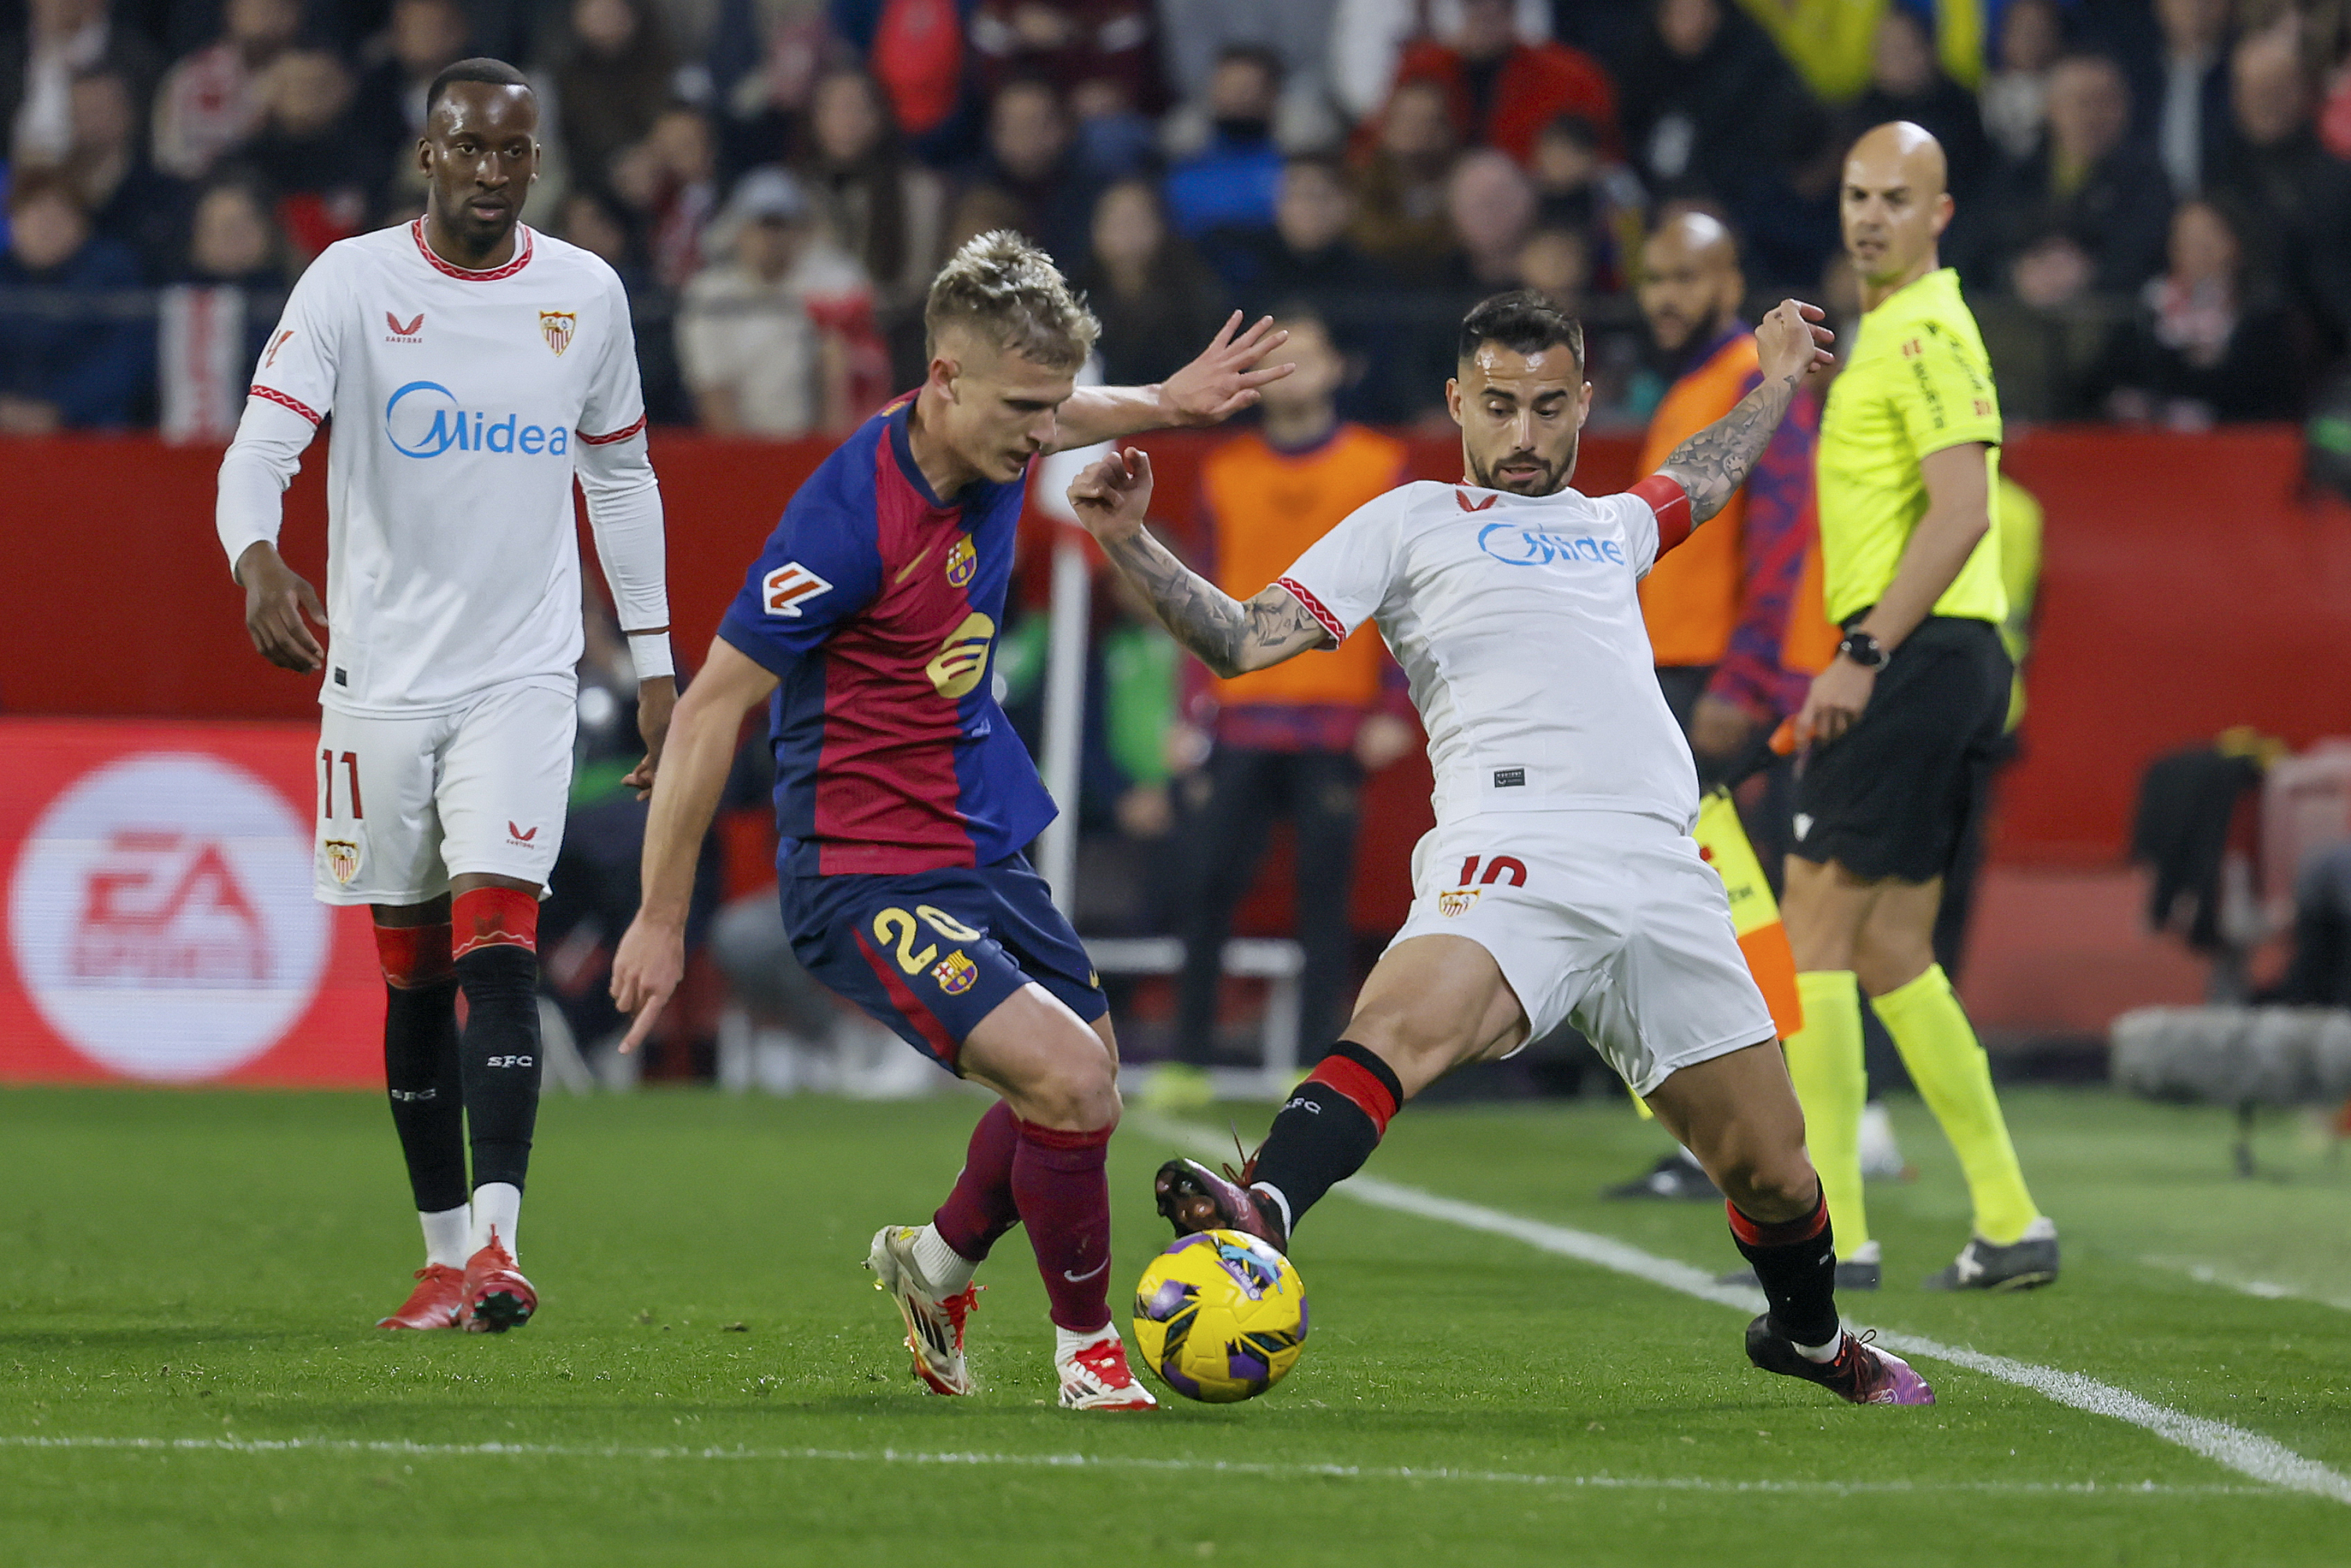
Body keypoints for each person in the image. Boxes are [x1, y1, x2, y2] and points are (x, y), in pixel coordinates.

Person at [1076, 288, 1938, 1406]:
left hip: (1663, 867)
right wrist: (1128, 541)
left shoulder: (1608, 527)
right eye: (1496, 406)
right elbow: (1242, 639)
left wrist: (1773, 379)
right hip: (1511, 846)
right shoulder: (1408, 519)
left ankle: (1809, 1339)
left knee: (1771, 1171)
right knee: (1403, 1025)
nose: (1522, 435)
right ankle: (1265, 1210)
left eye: (1545, 407)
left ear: (1582, 402)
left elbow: (1704, 477)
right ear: (1456, 404)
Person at [606, 232, 1293, 1410]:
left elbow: (1072, 407)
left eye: (1052, 405)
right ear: (941, 379)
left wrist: (1169, 404)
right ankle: (1086, 1360)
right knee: (1073, 1087)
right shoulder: (845, 522)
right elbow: (714, 705)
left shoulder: (1003, 423)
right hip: (864, 869)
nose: (1043, 433)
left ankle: (929, 1267)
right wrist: (661, 919)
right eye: (1024, 407)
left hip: (977, 834)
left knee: (1079, 1085)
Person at [213, 59, 676, 1335]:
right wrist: (253, 554)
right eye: (469, 147)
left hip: (521, 676)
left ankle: (499, 1247)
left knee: (498, 947)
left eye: (512, 152)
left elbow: (622, 483)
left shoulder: (583, 295)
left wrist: (654, 664)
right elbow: (261, 449)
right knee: (411, 977)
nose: (490, 170)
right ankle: (436, 1261)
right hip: (377, 681)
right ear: (428, 152)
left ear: (535, 162)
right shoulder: (352, 283)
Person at [1776, 121, 2057, 1294]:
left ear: (1939, 214)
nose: (1868, 215)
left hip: (1912, 657)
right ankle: (2007, 1217)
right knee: (1891, 945)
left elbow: (1961, 513)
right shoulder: (1893, 335)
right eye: (1854, 194)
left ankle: (1835, 1224)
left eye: (1896, 197)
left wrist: (1858, 652)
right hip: (1944, 660)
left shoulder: (1929, 331)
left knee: (1812, 935)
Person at [1603, 210, 1823, 1209]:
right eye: (1655, 277)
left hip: (1718, 685)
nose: (1666, 295)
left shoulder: (1744, 380)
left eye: (1688, 275)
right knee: (1705, 910)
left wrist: (1746, 678)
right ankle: (1722, 1135)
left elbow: (1782, 536)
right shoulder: (1689, 387)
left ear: (1730, 278)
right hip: (1676, 676)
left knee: (1734, 913)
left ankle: (1771, 1134)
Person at [1159, 308, 1414, 1095]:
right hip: (1239, 714)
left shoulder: (1381, 464)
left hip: (1335, 719)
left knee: (1323, 900)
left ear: (1339, 368)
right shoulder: (1223, 471)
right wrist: (1187, 708)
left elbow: (1406, 594)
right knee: (1204, 885)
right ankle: (1185, 1057)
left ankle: (1316, 1058)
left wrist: (1397, 708)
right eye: (1280, 357)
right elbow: (1195, 591)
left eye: (1308, 354)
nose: (1295, 370)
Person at [677, 168, 878, 437]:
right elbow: (713, 392)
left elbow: (847, 378)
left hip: (816, 447)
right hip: (741, 451)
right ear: (739, 231)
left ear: (798, 231)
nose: (770, 239)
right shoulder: (709, 295)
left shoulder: (834, 280)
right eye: (761, 225)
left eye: (780, 226)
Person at [0, 170, 152, 431]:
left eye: (58, 216)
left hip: (92, 432)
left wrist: (59, 410)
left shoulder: (113, 274)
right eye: (34, 214)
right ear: (12, 223)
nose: (45, 227)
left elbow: (124, 357)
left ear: (83, 224)